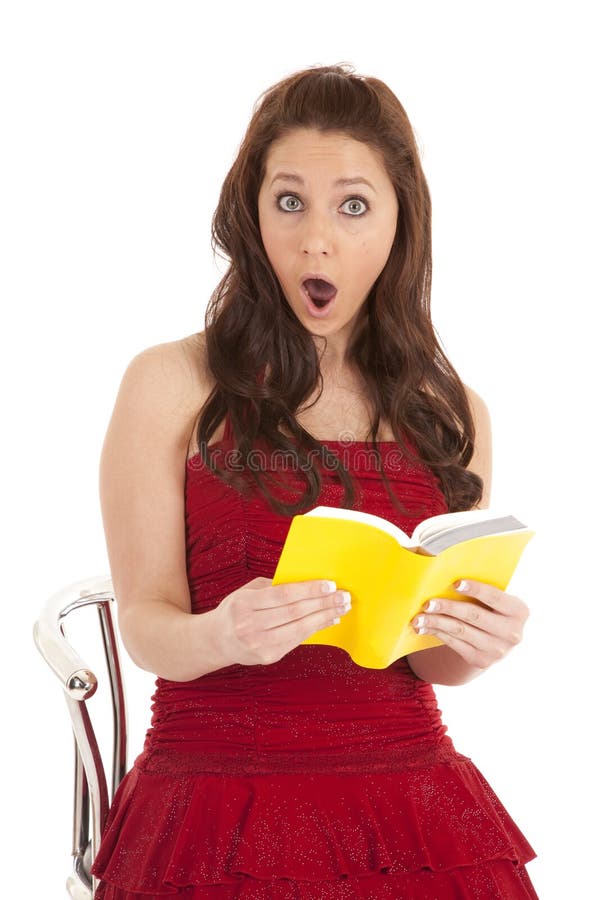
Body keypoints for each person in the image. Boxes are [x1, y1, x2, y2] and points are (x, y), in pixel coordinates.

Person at [90, 64, 538, 899]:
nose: (316, 240)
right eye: (289, 201)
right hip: (216, 801)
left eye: (354, 205)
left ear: (403, 222)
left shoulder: (453, 411)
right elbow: (146, 624)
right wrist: (224, 634)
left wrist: (472, 648)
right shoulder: (170, 383)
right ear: (250, 213)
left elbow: (428, 663)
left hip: (409, 803)